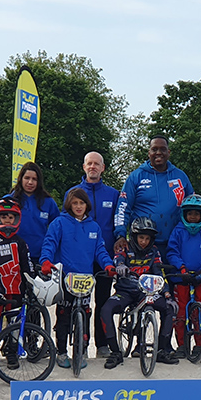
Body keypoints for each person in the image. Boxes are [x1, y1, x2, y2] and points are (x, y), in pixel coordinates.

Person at [40, 188, 116, 369]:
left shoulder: (94, 226)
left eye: (81, 203)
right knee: (64, 315)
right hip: (65, 277)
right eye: (75, 203)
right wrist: (45, 261)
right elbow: (49, 243)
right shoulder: (59, 223)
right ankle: (61, 351)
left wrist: (107, 265)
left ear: (86, 205)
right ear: (69, 204)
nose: (78, 206)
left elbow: (100, 250)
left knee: (86, 313)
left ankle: (82, 351)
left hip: (85, 279)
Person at [101, 217, 178, 369]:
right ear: (134, 236)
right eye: (141, 237)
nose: (144, 241)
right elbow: (118, 259)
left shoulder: (154, 251)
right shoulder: (124, 247)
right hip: (125, 291)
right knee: (105, 310)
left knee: (169, 308)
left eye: (147, 238)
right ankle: (115, 352)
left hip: (146, 292)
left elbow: (159, 272)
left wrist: (168, 295)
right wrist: (120, 266)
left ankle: (162, 349)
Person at [68, 152, 121, 359]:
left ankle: (102, 345)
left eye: (96, 164)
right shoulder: (73, 192)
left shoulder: (113, 194)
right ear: (83, 167)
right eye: (89, 163)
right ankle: (80, 342)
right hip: (80, 259)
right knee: (79, 302)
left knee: (102, 301)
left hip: (105, 257)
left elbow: (119, 222)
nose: (92, 167)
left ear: (103, 168)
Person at [113, 136, 194, 256]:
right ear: (149, 152)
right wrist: (120, 235)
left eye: (163, 149)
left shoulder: (180, 176)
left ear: (168, 152)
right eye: (154, 149)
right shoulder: (136, 176)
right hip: (142, 246)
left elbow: (194, 206)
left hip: (174, 244)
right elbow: (123, 208)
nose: (158, 153)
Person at [0, 199, 37, 369]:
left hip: (15, 290)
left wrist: (31, 282)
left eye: (11, 217)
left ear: (17, 219)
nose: (7, 220)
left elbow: (27, 265)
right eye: (3, 216)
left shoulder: (20, 242)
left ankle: (11, 352)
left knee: (13, 324)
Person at [166, 194, 201, 357]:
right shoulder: (178, 231)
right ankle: (182, 345)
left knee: (199, 313)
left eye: (197, 214)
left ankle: (199, 344)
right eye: (190, 213)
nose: (193, 217)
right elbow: (172, 251)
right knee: (181, 314)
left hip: (200, 280)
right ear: (184, 214)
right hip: (181, 279)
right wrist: (181, 268)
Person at [5, 161, 60, 264]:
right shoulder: (9, 201)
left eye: (34, 179)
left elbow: (58, 229)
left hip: (40, 258)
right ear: (20, 179)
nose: (30, 182)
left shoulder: (48, 202)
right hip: (14, 257)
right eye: (27, 178)